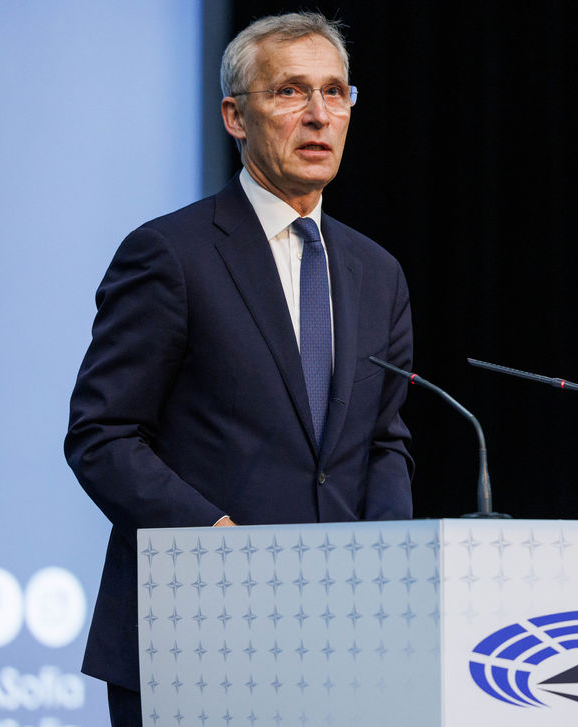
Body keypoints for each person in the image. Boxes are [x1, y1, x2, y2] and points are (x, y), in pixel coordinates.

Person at [64, 12, 414, 726]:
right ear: (234, 116)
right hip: (193, 631)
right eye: (289, 91)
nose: (318, 114)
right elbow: (102, 435)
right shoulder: (170, 254)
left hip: (343, 642)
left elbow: (384, 442)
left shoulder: (377, 274)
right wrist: (219, 541)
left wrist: (389, 562)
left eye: (335, 92)